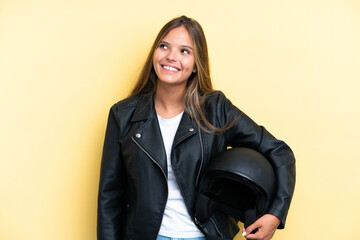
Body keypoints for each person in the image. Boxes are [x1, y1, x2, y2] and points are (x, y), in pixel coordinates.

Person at [97, 15, 296, 240]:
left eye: (184, 51)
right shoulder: (123, 115)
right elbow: (109, 196)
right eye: (164, 46)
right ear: (154, 53)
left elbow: (281, 153)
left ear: (195, 65)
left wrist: (276, 214)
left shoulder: (216, 109)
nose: (171, 57)